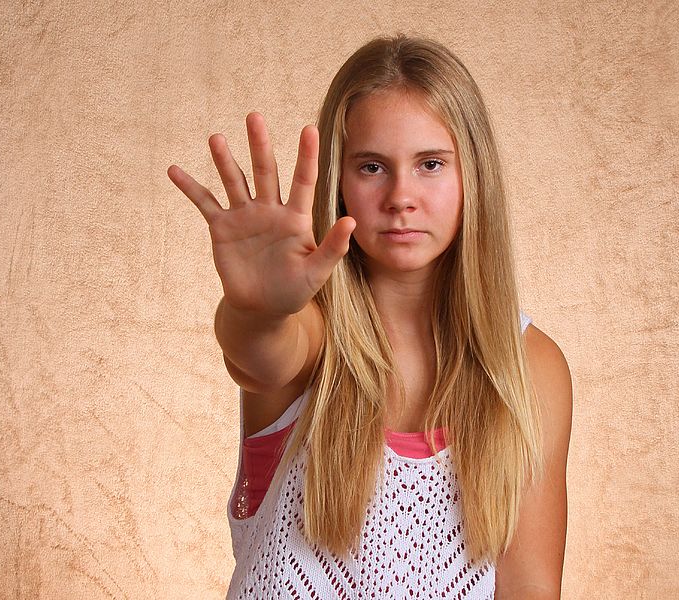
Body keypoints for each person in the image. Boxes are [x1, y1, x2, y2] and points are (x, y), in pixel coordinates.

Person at [167, 33, 573, 599]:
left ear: (471, 176)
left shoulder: (530, 367)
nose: (401, 195)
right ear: (338, 182)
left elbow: (530, 588)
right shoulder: (311, 329)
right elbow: (260, 352)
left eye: (430, 163)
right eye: (372, 167)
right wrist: (254, 309)